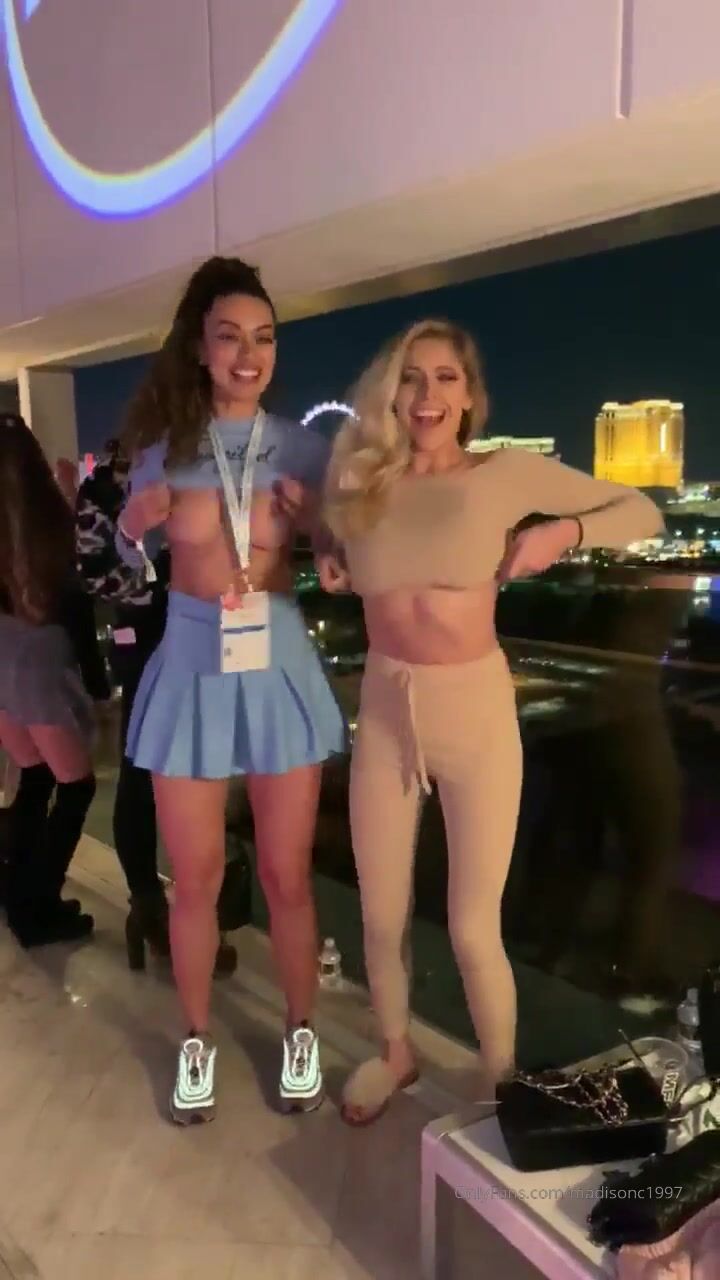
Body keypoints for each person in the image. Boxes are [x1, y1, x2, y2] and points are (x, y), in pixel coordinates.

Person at [320, 319, 664, 1124]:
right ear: (391, 392)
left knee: (474, 927)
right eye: (412, 377)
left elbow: (644, 512)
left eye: (446, 378)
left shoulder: (503, 474)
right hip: (385, 709)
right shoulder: (361, 477)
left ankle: (499, 1076)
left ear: (470, 396)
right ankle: (395, 1051)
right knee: (379, 914)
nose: (427, 395)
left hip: (473, 713)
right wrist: (335, 562)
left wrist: (562, 532)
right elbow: (333, 540)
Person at [116, 256, 346, 1123]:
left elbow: (342, 559)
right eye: (229, 338)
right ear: (200, 349)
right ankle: (195, 1040)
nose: (249, 355)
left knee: (287, 875)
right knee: (197, 877)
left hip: (277, 657)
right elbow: (123, 564)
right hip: (190, 661)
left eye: (264, 337)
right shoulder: (161, 453)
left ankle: (300, 1030)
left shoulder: (306, 448)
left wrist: (317, 524)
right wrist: (131, 530)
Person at [76, 439, 238, 975]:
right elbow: (97, 567)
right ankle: (173, 914)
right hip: (156, 631)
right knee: (167, 773)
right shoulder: (125, 476)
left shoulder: (127, 471)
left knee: (152, 770)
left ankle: (156, 906)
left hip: (166, 627)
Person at [0, 413, 101, 946]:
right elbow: (77, 602)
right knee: (76, 786)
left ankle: (18, 894)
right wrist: (98, 684)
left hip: (1, 662)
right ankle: (36, 906)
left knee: (35, 777)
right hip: (39, 665)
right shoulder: (47, 524)